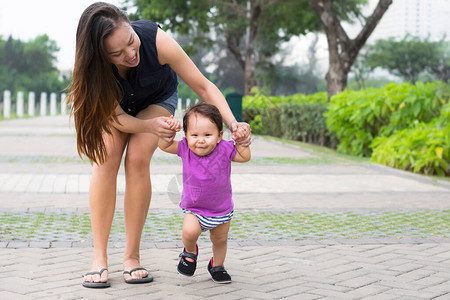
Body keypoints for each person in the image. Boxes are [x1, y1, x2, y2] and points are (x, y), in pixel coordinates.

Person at [67, 2, 251, 288]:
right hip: (117, 112)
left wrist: (233, 124)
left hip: (156, 99)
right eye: (117, 53)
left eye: (130, 41)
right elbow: (117, 119)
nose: (130, 54)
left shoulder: (156, 39)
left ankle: (131, 257)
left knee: (138, 159)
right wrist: (145, 126)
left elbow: (203, 86)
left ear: (131, 26)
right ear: (101, 55)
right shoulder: (95, 70)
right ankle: (99, 257)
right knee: (106, 160)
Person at [158, 102, 251, 284]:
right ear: (185, 135)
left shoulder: (224, 149)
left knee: (220, 241)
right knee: (189, 232)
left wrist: (241, 141)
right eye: (194, 135)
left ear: (219, 136)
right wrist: (168, 132)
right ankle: (190, 252)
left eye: (208, 135)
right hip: (194, 208)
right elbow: (164, 146)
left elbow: (244, 156)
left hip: (221, 210)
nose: (200, 140)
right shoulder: (185, 148)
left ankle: (217, 266)